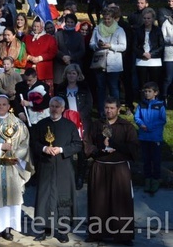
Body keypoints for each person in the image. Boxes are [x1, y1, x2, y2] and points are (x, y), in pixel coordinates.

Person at [0, 95, 33, 240]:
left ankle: (7, 229)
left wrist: (14, 155)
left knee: (11, 197)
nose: (1, 107)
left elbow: (24, 143)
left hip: (12, 166)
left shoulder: (18, 124)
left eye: (4, 104)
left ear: (9, 106)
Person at [85, 98, 139, 244]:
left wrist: (117, 145)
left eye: (112, 108)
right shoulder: (96, 125)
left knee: (121, 202)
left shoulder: (127, 127)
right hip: (100, 166)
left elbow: (134, 148)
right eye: (106, 107)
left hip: (119, 167)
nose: (109, 110)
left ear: (118, 109)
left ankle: (124, 235)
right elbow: (87, 143)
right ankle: (96, 233)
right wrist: (98, 150)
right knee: (98, 201)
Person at [32, 97, 83, 243]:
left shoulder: (69, 125)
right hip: (46, 165)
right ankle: (43, 228)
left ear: (62, 109)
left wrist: (61, 149)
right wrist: (44, 148)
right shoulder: (41, 124)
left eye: (57, 106)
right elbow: (33, 143)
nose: (54, 109)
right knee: (44, 197)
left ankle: (62, 230)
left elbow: (77, 145)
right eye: (52, 106)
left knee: (63, 197)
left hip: (63, 166)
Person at [55, 64, 93, 189]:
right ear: (65, 75)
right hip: (66, 121)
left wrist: (79, 116)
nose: (71, 76)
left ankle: (80, 177)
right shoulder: (60, 88)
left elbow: (89, 104)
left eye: (74, 73)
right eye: (69, 73)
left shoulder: (84, 87)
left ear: (78, 75)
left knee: (82, 150)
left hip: (81, 122)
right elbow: (56, 104)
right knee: (67, 148)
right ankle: (68, 176)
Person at [89, 8, 127, 113]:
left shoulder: (119, 30)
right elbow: (91, 44)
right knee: (101, 88)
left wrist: (110, 46)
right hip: (100, 62)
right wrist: (97, 45)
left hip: (114, 63)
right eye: (105, 19)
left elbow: (123, 46)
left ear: (113, 19)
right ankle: (102, 111)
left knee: (113, 87)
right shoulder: (97, 29)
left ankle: (115, 110)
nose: (107, 21)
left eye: (109, 19)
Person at [134, 82, 166, 195]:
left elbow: (162, 120)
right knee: (146, 160)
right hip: (144, 137)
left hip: (155, 138)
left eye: (149, 91)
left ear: (155, 93)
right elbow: (137, 117)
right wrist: (141, 124)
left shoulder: (160, 105)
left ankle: (156, 179)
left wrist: (150, 126)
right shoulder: (141, 105)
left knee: (155, 160)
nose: (147, 93)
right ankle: (147, 179)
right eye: (145, 91)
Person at [24, 18, 58, 94]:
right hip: (30, 69)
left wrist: (40, 58)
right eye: (34, 26)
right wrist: (29, 57)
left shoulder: (50, 38)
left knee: (46, 93)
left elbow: (53, 52)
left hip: (44, 71)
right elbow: (22, 51)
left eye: (38, 26)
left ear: (42, 27)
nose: (35, 28)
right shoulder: (27, 38)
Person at [53, 13, 85, 89]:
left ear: (75, 23)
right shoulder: (58, 34)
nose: (69, 24)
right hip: (60, 66)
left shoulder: (79, 36)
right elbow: (54, 48)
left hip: (74, 65)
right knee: (60, 89)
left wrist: (70, 57)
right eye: (68, 22)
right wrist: (62, 56)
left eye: (72, 22)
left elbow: (82, 51)